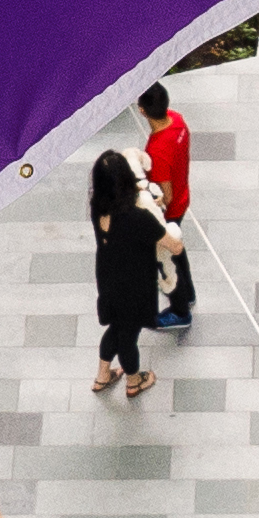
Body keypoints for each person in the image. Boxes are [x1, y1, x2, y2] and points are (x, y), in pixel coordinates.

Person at [84, 150, 159, 401]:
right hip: (134, 285)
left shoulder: (97, 209)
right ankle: (134, 381)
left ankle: (103, 376)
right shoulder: (138, 218)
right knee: (128, 336)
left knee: (116, 327)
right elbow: (175, 246)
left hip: (108, 280)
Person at [136, 80, 198, 337]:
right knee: (178, 250)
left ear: (142, 110)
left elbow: (166, 194)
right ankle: (189, 292)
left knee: (166, 261)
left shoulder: (157, 150)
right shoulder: (177, 119)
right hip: (184, 199)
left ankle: (180, 310)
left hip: (170, 211)